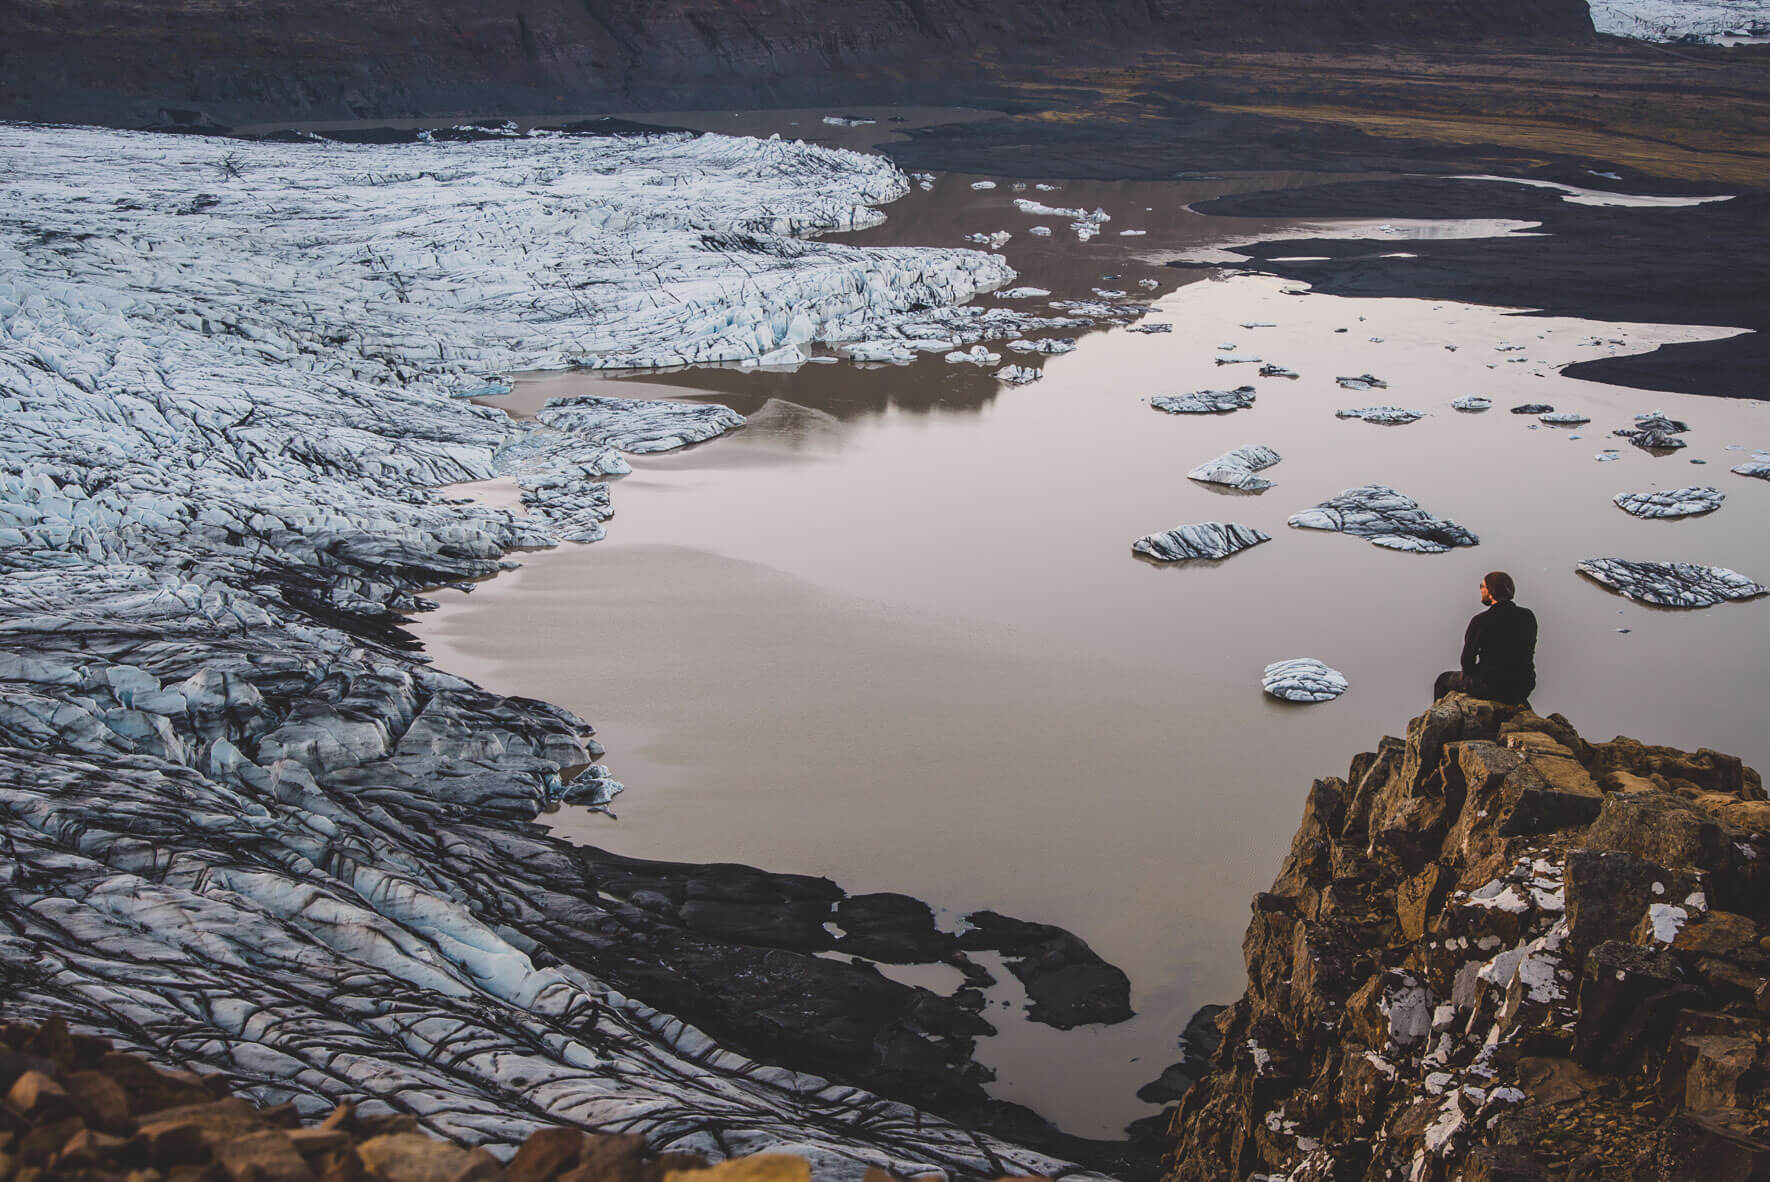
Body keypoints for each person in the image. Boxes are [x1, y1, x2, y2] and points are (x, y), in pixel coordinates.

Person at [1433, 571, 1536, 704]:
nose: (1481, 590)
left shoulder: (1481, 620)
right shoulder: (1527, 616)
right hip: (1523, 685)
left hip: (1490, 685)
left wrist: (1475, 673)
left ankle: (1438, 718)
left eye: (1482, 586)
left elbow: (1467, 661)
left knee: (1443, 680)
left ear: (1491, 591)